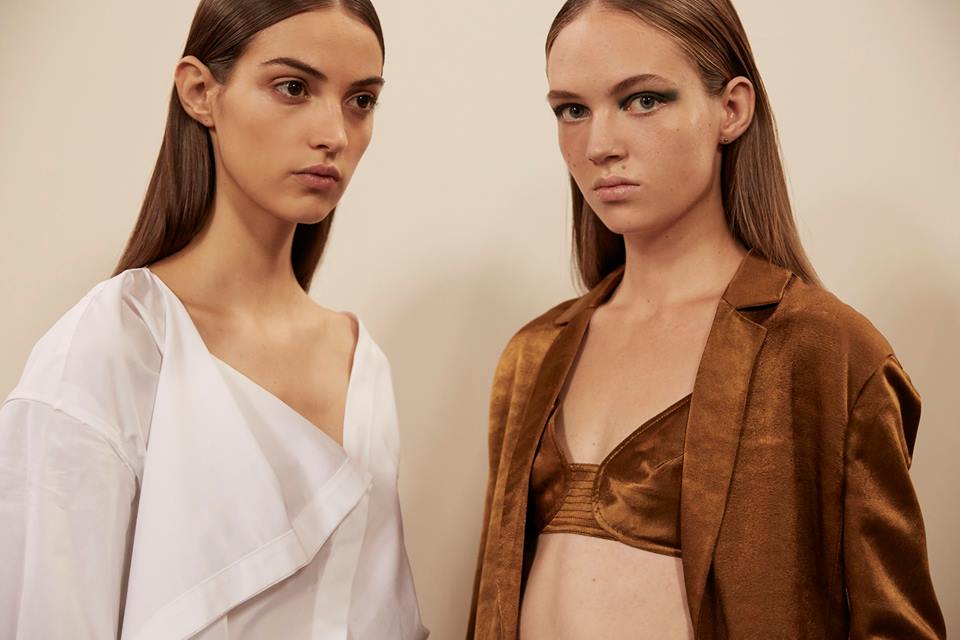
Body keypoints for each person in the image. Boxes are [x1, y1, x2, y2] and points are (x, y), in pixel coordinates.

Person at [468, 1, 945, 638]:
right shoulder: (532, 355)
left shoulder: (826, 353)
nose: (599, 145)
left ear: (732, 109)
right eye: (572, 110)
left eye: (642, 100)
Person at [0, 1, 427, 638]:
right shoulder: (113, 346)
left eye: (360, 101)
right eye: (293, 88)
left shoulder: (361, 361)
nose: (335, 134)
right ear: (200, 92)